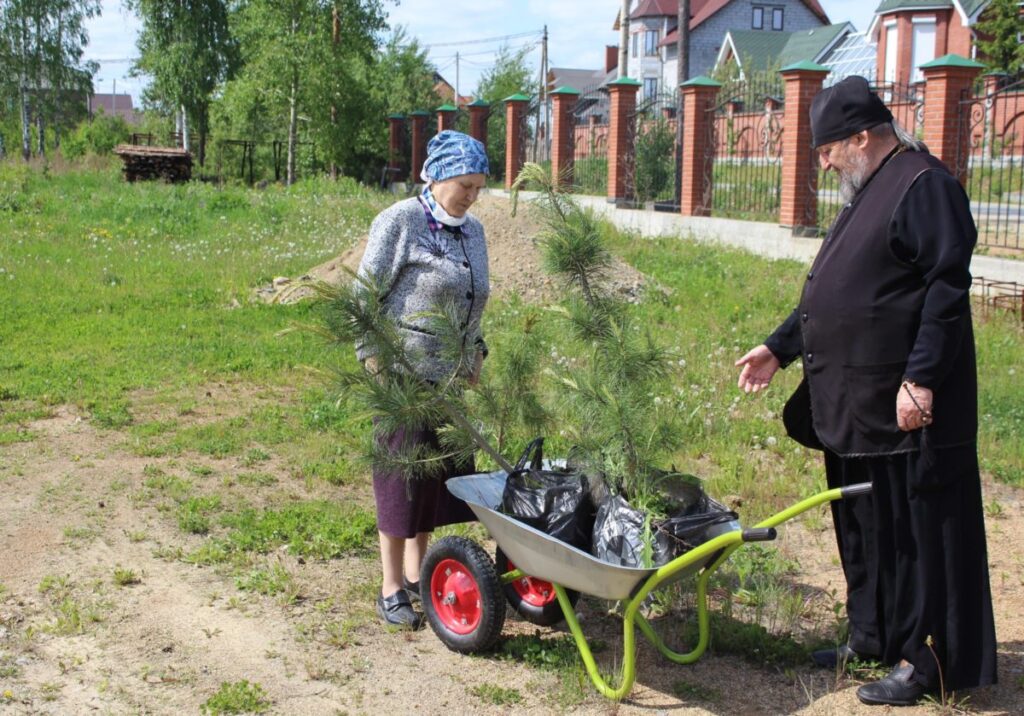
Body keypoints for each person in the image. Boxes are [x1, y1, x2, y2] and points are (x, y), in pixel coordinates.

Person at [735, 76, 996, 706]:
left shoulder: (924, 185)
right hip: (858, 404)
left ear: (860, 137)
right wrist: (779, 347)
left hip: (906, 406)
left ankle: (926, 661)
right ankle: (872, 634)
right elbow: (842, 287)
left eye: (827, 149)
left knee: (916, 534)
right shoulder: (871, 187)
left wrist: (922, 379)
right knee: (866, 525)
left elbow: (946, 290)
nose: (823, 162)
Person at [356, 130, 490, 629]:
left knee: (435, 480)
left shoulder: (473, 232)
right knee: (401, 481)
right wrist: (373, 358)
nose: (472, 196)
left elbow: (474, 298)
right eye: (465, 185)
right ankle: (391, 586)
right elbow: (363, 296)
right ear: (436, 177)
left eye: (478, 188)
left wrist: (475, 351)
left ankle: (417, 573)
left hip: (450, 377)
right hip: (402, 376)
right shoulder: (400, 221)